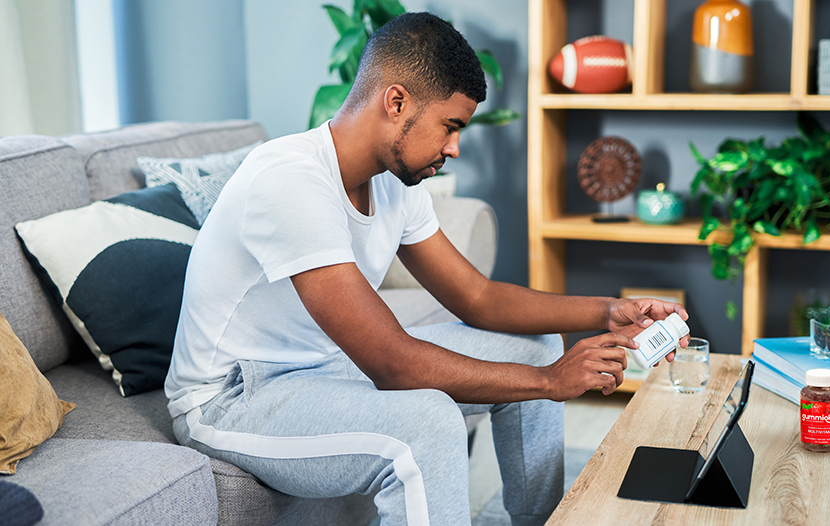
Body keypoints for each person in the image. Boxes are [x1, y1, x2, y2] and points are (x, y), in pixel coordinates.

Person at [165, 11, 689, 526]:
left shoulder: (394, 180)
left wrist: (609, 310)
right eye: (450, 126)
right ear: (396, 102)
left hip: (323, 367)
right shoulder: (288, 180)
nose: (454, 147)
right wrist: (549, 382)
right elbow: (394, 364)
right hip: (233, 398)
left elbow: (478, 298)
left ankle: (544, 520)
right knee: (428, 424)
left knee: (539, 341)